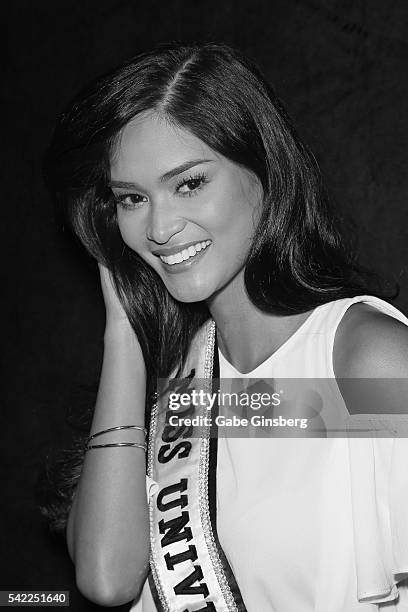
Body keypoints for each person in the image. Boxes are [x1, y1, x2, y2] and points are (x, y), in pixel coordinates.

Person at [44, 42, 408, 611]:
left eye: (189, 184)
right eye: (133, 198)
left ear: (263, 173)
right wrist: (123, 333)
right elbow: (106, 578)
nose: (160, 228)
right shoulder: (177, 382)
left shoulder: (365, 362)